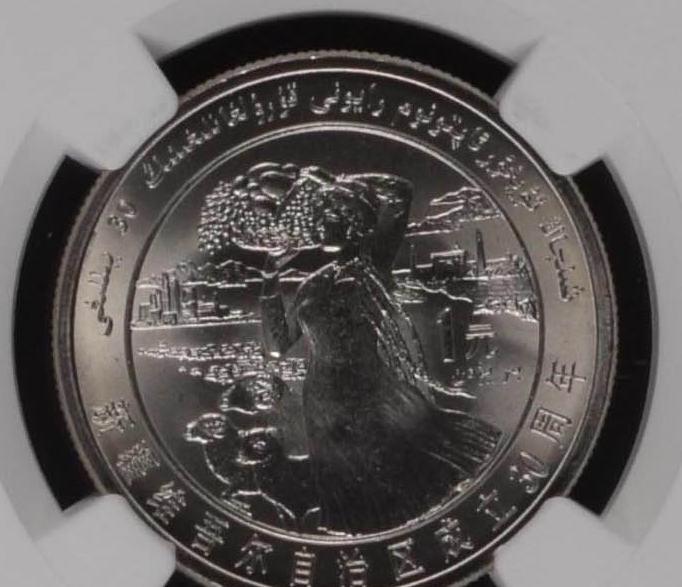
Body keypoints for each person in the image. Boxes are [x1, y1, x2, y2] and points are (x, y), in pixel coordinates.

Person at [199, 163, 499, 535]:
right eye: (322, 218)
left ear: (354, 224)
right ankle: (358, 539)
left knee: (397, 472)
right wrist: (270, 277)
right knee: (342, 488)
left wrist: (337, 182)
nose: (321, 227)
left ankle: (405, 534)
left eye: (331, 218)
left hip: (372, 393)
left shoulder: (372, 267)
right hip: (323, 403)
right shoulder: (312, 284)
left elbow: (400, 191)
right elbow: (276, 346)